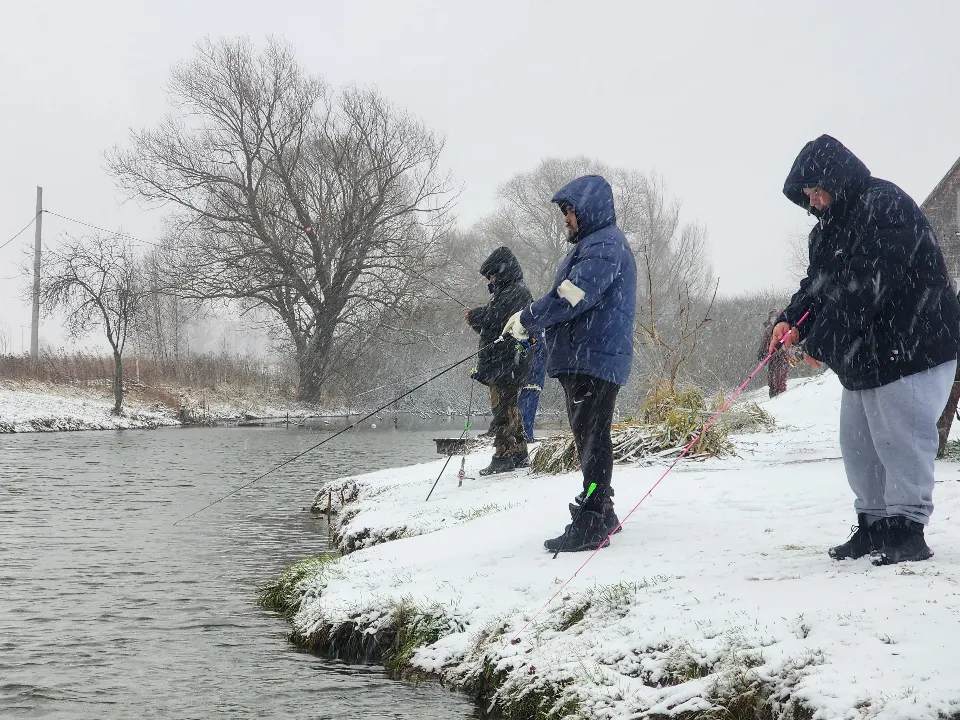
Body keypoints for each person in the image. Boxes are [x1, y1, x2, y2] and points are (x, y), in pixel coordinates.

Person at [771, 135, 960, 565]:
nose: (812, 201)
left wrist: (823, 342)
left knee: (901, 439)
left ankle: (908, 529)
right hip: (867, 354)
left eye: (816, 190)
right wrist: (793, 321)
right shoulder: (825, 232)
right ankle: (874, 525)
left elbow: (864, 286)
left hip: (914, 346)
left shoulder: (885, 206)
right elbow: (819, 286)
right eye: (806, 195)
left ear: (836, 179)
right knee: (858, 443)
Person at [502, 174, 637, 552]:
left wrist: (528, 317)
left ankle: (592, 519)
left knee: (592, 440)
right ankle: (602, 511)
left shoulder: (603, 246)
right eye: (564, 212)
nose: (566, 219)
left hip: (591, 358)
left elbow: (570, 296)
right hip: (589, 356)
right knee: (592, 437)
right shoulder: (598, 244)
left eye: (569, 211)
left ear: (589, 210)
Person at [466, 246, 534, 476]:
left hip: (506, 363)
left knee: (502, 411)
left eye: (492, 275)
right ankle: (519, 453)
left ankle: (503, 457)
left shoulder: (513, 293)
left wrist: (476, 316)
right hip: (508, 361)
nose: (490, 280)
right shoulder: (512, 291)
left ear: (501, 271)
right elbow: (495, 328)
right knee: (511, 407)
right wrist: (476, 320)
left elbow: (494, 319)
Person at [518, 330, 546, 441]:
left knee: (524, 406)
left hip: (529, 375)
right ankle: (527, 434)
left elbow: (523, 349)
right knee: (529, 407)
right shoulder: (543, 334)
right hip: (536, 376)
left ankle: (524, 434)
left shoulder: (531, 333)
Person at [758, 309, 788, 398]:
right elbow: (764, 343)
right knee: (771, 381)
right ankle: (773, 397)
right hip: (771, 359)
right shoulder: (768, 331)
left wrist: (780, 351)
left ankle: (780, 397)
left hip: (782, 359)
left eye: (775, 317)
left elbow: (787, 344)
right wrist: (762, 353)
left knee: (779, 380)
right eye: (772, 318)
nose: (773, 320)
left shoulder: (783, 329)